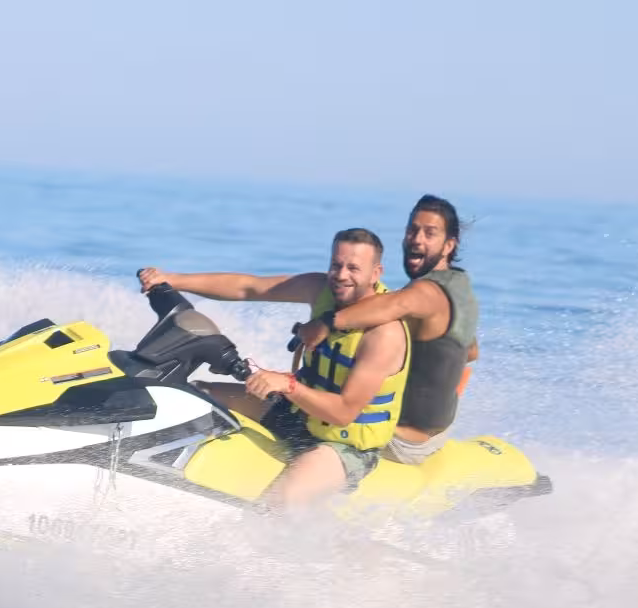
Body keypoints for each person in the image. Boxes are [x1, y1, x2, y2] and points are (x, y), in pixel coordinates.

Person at [137, 228, 409, 506]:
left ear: (376, 274)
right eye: (336, 265)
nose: (341, 275)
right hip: (299, 416)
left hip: (343, 446)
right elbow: (249, 287)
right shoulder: (321, 290)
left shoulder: (383, 335)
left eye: (353, 268)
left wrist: (288, 385)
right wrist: (174, 280)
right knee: (194, 395)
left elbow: (344, 412)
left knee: (282, 499)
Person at [291, 195, 477, 465]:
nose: (416, 239)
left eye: (429, 233)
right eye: (412, 230)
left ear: (449, 245)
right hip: (429, 433)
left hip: (402, 441)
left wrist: (325, 323)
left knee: (316, 418)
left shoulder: (428, 291)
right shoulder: (459, 289)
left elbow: (395, 303)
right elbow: (470, 352)